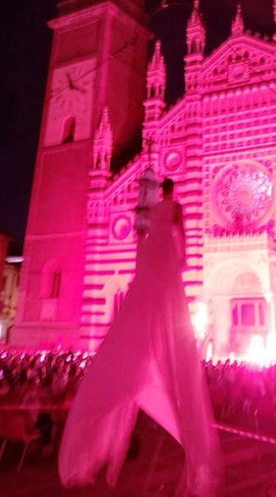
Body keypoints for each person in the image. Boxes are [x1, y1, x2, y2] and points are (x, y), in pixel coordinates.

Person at [59, 176, 222, 496]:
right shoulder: (176, 207)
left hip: (151, 249)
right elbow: (182, 233)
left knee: (150, 291)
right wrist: (184, 256)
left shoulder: (153, 207)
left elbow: (141, 231)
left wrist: (143, 245)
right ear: (172, 191)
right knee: (166, 293)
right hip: (163, 250)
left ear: (161, 190)